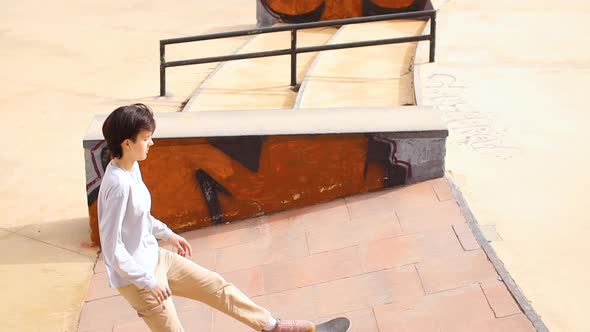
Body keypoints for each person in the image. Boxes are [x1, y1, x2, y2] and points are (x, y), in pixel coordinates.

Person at [98, 103, 315, 332]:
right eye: (146, 138)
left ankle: (272, 326)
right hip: (138, 279)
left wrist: (169, 235)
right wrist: (148, 281)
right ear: (127, 143)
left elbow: (140, 217)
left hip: (156, 257)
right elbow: (112, 250)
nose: (151, 143)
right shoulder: (118, 186)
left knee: (216, 286)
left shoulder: (132, 168)